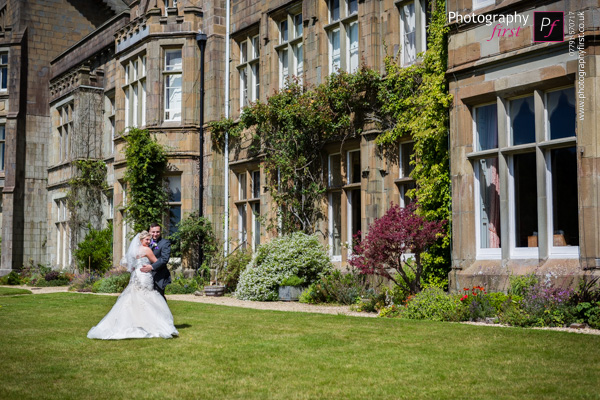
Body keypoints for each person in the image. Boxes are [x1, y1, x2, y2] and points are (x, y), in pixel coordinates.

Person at [87, 231, 179, 340]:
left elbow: (126, 263)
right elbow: (156, 261)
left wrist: (136, 266)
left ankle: (135, 323)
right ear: (141, 240)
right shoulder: (147, 250)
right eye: (147, 240)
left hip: (136, 275)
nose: (149, 242)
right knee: (147, 298)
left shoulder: (133, 251)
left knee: (134, 297)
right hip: (145, 276)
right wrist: (152, 263)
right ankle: (151, 324)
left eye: (149, 240)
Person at [140, 223, 171, 300]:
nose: (155, 234)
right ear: (149, 231)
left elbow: (164, 259)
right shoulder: (146, 242)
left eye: (158, 232)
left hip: (159, 276)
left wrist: (152, 267)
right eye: (153, 232)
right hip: (145, 277)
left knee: (159, 299)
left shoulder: (165, 243)